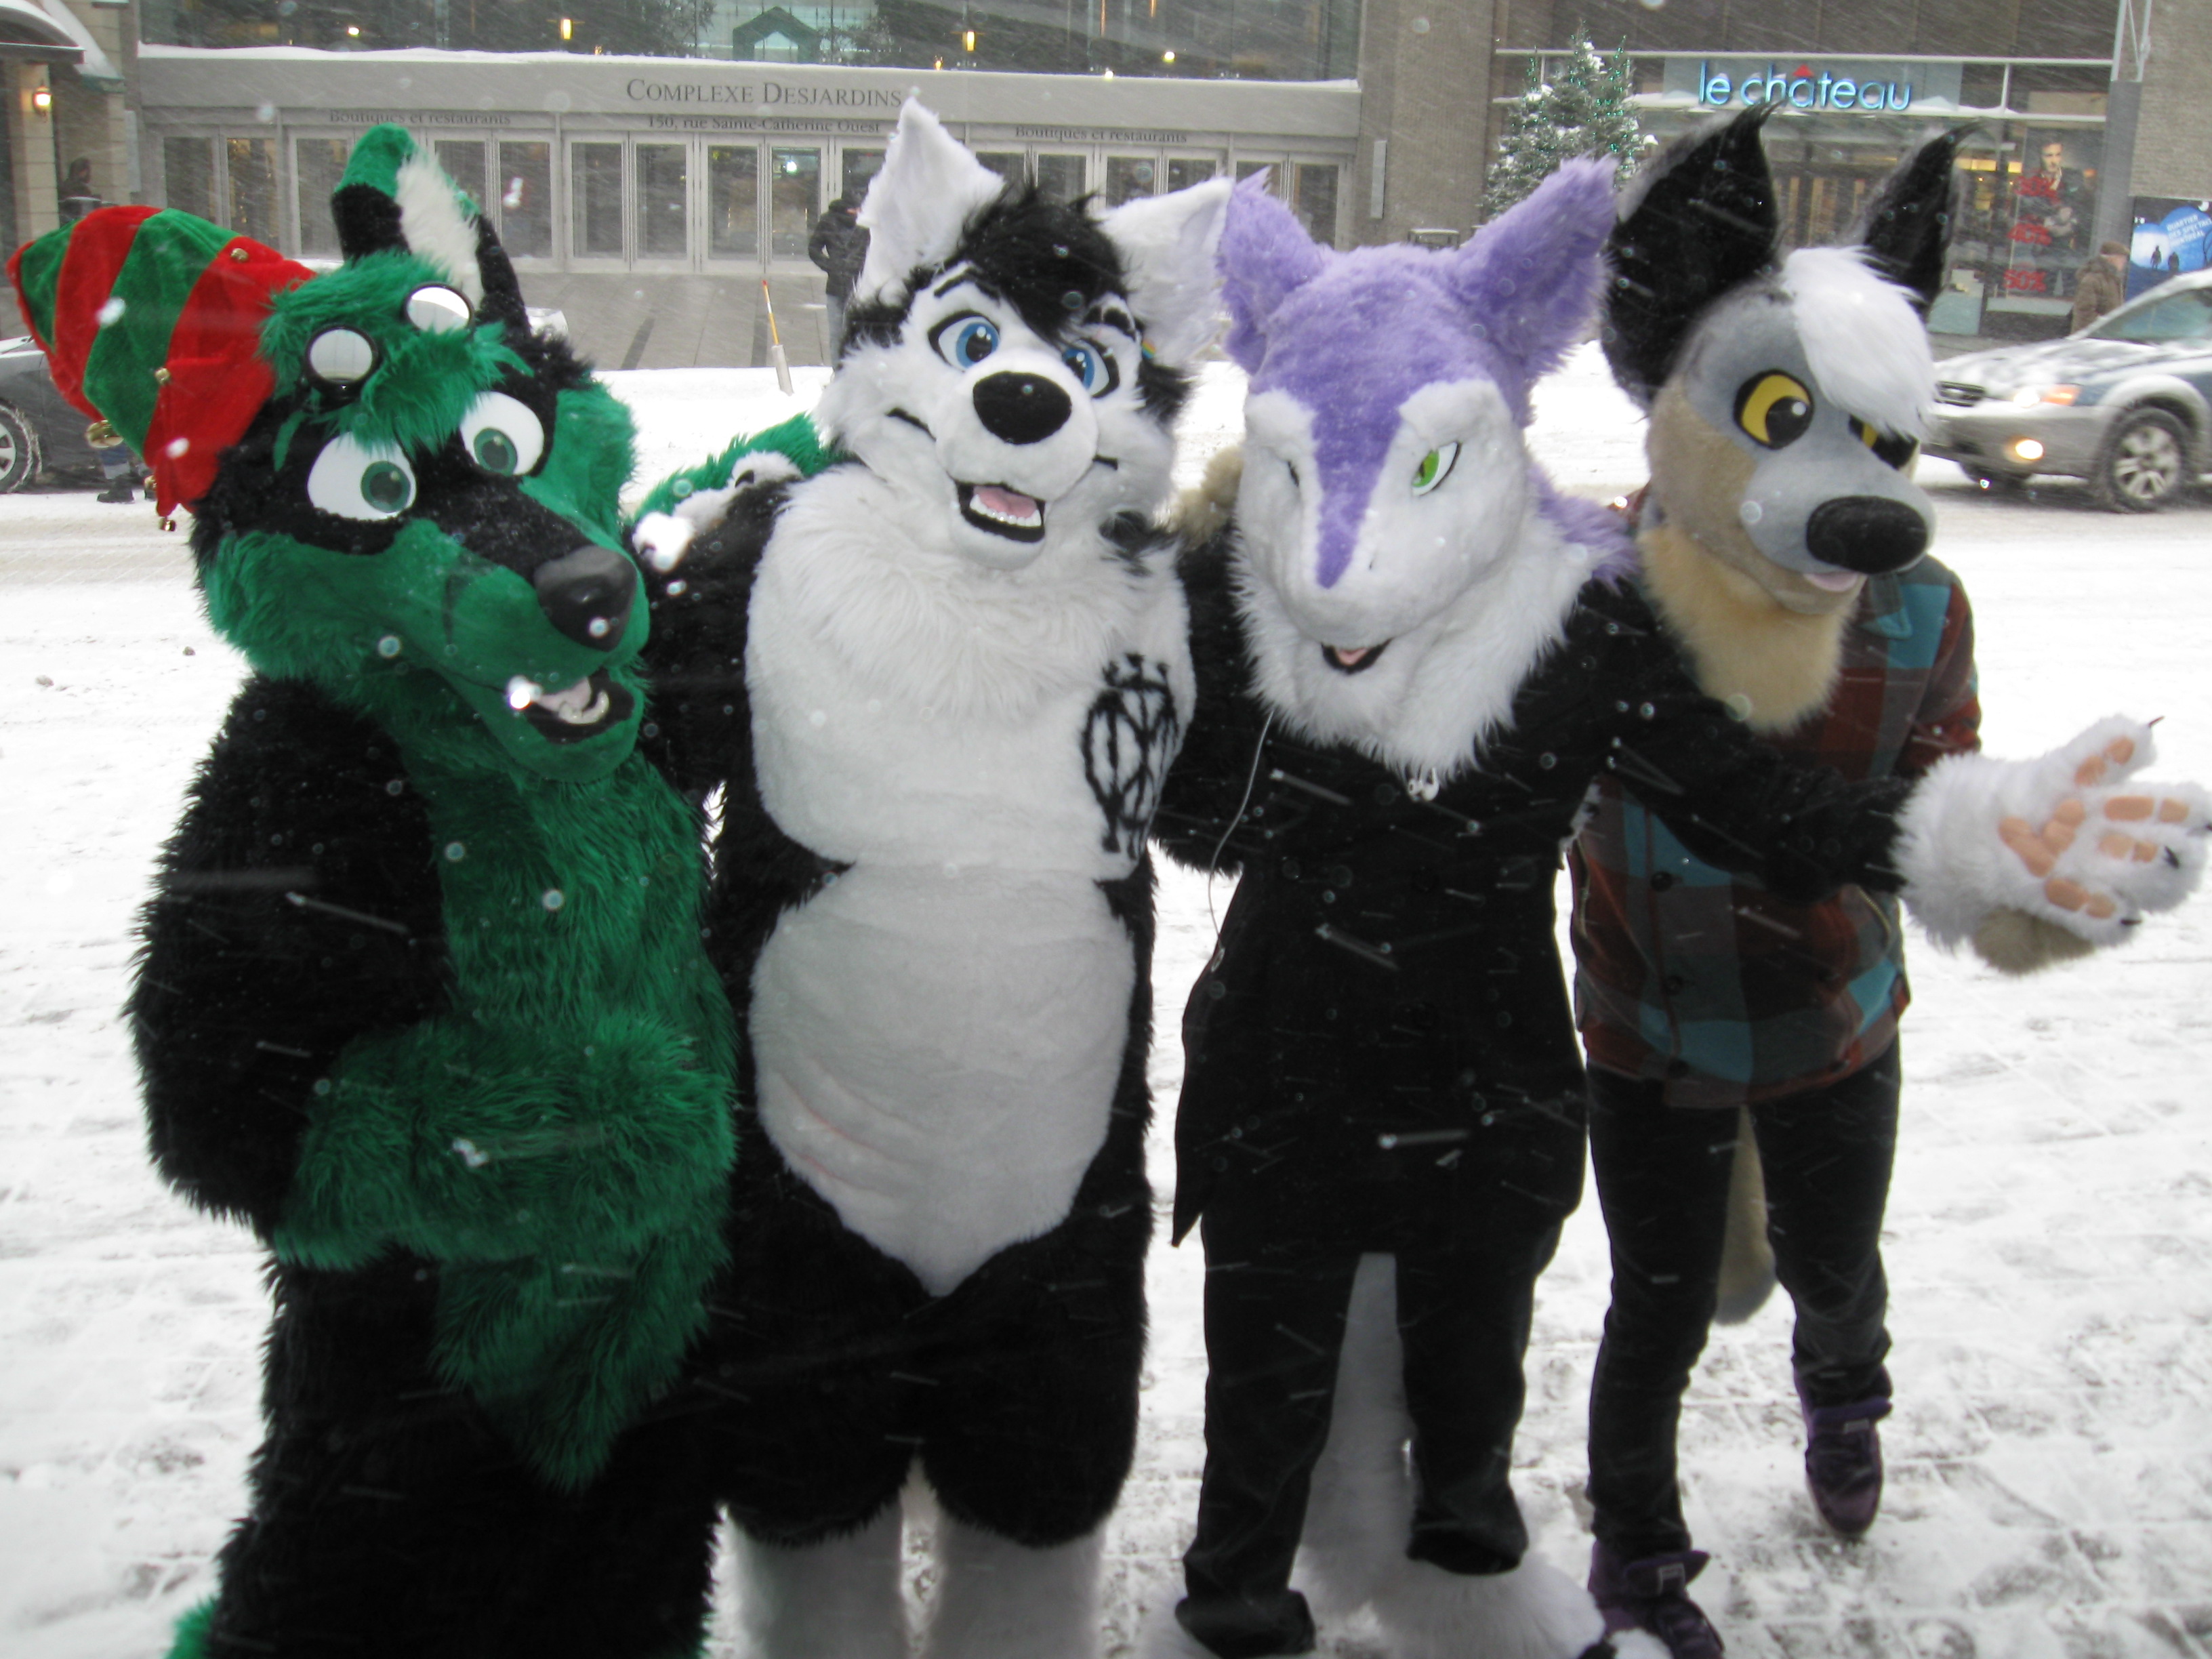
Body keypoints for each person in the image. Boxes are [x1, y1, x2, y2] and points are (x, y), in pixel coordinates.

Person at [1570, 550, 1982, 1658]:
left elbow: (1946, 799)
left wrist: (2021, 851)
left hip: (1830, 1011)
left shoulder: (1918, 606)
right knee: (1655, 1308)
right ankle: (1636, 1552)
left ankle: (1843, 1394)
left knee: (1831, 1261)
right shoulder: (1600, 585)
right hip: (1645, 1021)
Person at [806, 194, 868, 354]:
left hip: (857, 285)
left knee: (850, 334)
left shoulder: (866, 223)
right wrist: (831, 266)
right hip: (839, 285)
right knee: (840, 333)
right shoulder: (830, 222)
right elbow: (814, 248)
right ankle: (840, 366)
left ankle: (848, 366)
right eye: (856, 208)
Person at [2071, 239, 2129, 331]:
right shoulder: (2092, 280)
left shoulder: (2113, 279)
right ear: (2111, 259)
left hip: (2104, 335)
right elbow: (2085, 312)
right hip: (2092, 336)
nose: (2124, 261)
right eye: (2121, 258)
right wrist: (2107, 327)